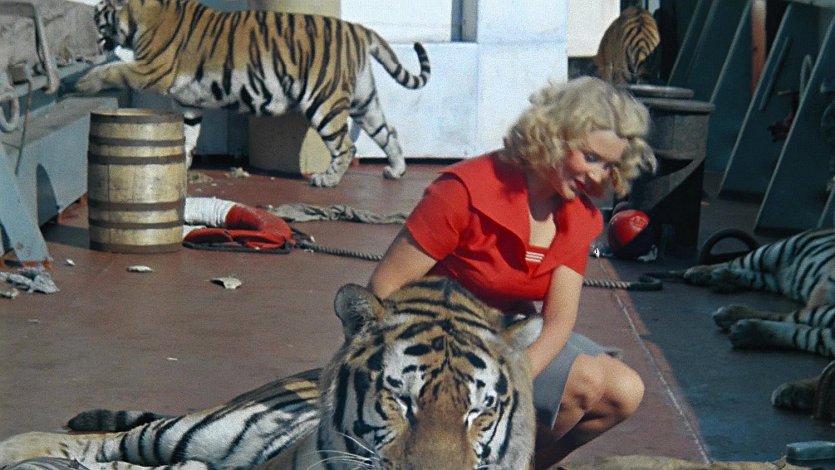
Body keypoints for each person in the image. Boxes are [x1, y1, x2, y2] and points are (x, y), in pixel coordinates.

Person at [367, 76, 656, 469]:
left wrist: (513, 381)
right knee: (585, 382)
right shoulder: (463, 191)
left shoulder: (578, 216)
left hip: (505, 335)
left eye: (610, 166)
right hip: (441, 340)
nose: (598, 176)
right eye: (590, 157)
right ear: (555, 137)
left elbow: (559, 320)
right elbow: (385, 285)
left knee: (625, 391)